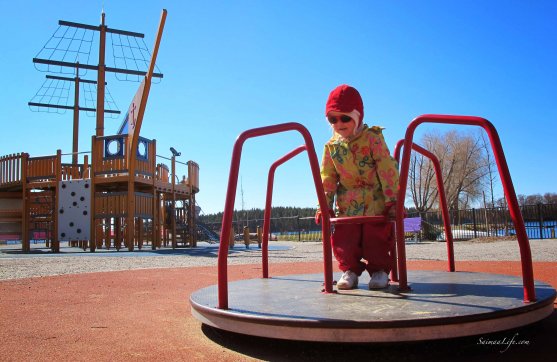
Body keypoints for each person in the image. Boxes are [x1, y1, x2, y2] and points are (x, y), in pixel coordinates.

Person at [316, 84, 399, 290]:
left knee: (376, 238)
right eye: (332, 119)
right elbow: (327, 177)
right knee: (345, 239)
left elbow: (386, 167)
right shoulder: (331, 147)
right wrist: (324, 206)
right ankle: (349, 271)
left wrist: (393, 200)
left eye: (345, 118)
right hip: (348, 203)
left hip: (375, 200)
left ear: (357, 117)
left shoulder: (372, 138)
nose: (339, 123)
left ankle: (379, 271)